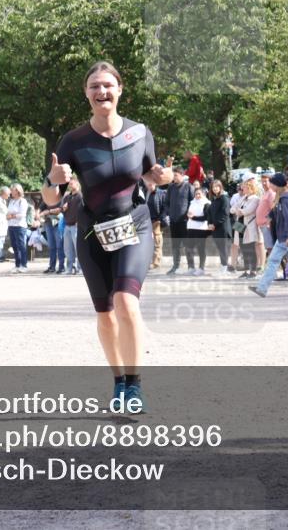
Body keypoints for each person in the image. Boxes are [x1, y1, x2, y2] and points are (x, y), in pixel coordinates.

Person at [42, 61, 172, 412]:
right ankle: (118, 383)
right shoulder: (73, 141)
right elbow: (51, 198)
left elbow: (152, 173)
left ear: (120, 90)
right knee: (105, 313)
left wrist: (164, 176)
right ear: (86, 94)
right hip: (92, 231)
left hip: (135, 226)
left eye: (108, 85)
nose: (102, 92)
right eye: (95, 86)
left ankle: (135, 386)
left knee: (127, 302)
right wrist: (54, 179)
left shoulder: (140, 132)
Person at [232, 177, 261, 278]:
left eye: (244, 187)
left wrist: (239, 211)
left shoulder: (255, 199)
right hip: (239, 225)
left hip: (249, 226)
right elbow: (232, 209)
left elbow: (247, 211)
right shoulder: (243, 198)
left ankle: (253, 271)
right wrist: (239, 211)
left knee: (250, 248)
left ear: (250, 188)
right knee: (242, 248)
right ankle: (246, 269)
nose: (242, 189)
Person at [165, 168, 192, 275]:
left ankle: (191, 266)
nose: (174, 177)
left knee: (187, 244)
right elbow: (166, 203)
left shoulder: (188, 186)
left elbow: (192, 202)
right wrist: (169, 213)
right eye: (173, 175)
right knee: (175, 245)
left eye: (175, 175)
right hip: (174, 220)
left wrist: (188, 214)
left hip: (185, 220)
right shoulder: (170, 187)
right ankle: (175, 265)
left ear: (181, 175)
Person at [206, 180, 232, 275]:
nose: (215, 188)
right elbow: (210, 213)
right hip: (215, 228)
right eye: (213, 187)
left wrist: (214, 224)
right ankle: (223, 266)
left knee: (224, 248)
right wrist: (210, 223)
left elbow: (225, 214)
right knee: (220, 248)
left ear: (221, 187)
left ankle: (224, 268)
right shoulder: (214, 199)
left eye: (217, 186)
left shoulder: (224, 198)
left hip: (223, 228)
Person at [185, 186, 211, 275]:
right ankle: (191, 267)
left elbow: (206, 217)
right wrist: (188, 215)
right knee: (189, 248)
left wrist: (194, 217)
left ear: (203, 194)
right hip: (191, 228)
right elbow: (189, 214)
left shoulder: (206, 203)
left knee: (201, 249)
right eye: (196, 194)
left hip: (201, 229)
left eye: (199, 194)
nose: (197, 195)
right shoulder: (192, 202)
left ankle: (201, 268)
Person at [60, 177, 83, 274]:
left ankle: (80, 268)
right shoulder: (67, 197)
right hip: (67, 225)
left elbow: (82, 210)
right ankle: (69, 268)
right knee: (68, 249)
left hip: (76, 226)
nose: (70, 185)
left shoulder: (81, 196)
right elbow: (61, 210)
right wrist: (63, 208)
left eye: (72, 184)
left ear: (77, 184)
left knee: (78, 249)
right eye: (69, 184)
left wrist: (79, 221)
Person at [6, 184, 29, 273]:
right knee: (15, 247)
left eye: (12, 190)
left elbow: (22, 214)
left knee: (21, 246)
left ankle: (24, 265)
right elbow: (8, 212)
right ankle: (17, 265)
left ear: (18, 191)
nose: (11, 192)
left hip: (19, 226)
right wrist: (8, 216)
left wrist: (11, 216)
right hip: (11, 226)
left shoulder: (22, 201)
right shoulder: (11, 201)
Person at [146, 180, 168, 270]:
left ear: (155, 184)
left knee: (157, 242)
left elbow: (165, 207)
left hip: (156, 221)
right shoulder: (145, 193)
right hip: (146, 221)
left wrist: (160, 219)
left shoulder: (162, 193)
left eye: (151, 184)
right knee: (147, 243)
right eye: (148, 184)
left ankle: (156, 262)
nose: (149, 186)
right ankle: (148, 261)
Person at [39, 197, 63, 274]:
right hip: (48, 222)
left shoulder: (60, 197)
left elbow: (60, 209)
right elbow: (40, 208)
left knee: (59, 246)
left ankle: (61, 267)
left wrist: (47, 211)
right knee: (51, 246)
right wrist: (38, 213)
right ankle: (52, 267)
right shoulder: (47, 198)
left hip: (57, 222)